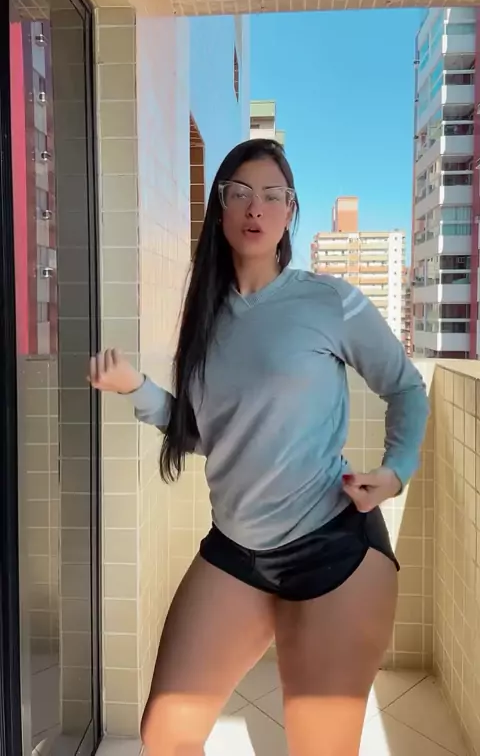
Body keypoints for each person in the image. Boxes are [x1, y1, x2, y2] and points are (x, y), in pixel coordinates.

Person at [90, 138, 429, 756]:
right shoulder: (204, 316)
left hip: (334, 550)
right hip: (235, 551)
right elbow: (206, 433)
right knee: (165, 734)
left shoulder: (329, 300)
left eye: (273, 196)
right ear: (220, 207)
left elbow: (406, 387)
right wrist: (136, 389)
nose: (256, 208)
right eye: (241, 193)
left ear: (290, 213)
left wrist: (395, 470)